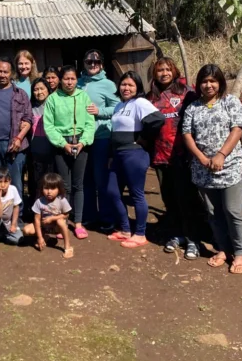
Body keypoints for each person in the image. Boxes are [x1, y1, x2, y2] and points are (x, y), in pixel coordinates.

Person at [182, 64, 242, 275]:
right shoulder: (193, 107)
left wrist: (221, 155)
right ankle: (223, 248)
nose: (208, 85)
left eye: (213, 80)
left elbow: (237, 129)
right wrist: (201, 157)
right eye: (204, 81)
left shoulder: (230, 102)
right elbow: (187, 134)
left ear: (220, 82)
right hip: (203, 169)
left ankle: (240, 253)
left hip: (231, 166)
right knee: (213, 212)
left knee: (233, 211)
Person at [146, 57, 207, 260]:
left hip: (183, 154)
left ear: (174, 71)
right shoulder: (150, 97)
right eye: (159, 70)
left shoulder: (186, 92)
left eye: (167, 69)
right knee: (169, 198)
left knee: (186, 198)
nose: (163, 73)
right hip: (161, 156)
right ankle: (175, 234)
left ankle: (193, 239)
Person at [105, 71, 165, 249]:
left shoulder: (140, 103)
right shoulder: (119, 106)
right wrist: (110, 155)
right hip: (117, 155)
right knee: (113, 192)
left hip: (134, 154)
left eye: (131, 85)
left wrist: (143, 138)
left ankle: (140, 233)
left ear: (137, 87)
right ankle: (124, 229)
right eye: (123, 84)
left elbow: (157, 119)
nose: (126, 88)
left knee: (136, 194)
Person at [42, 65, 95, 239]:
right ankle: (63, 220)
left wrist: (83, 141)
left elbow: (89, 122)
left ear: (76, 80)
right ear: (60, 80)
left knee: (78, 185)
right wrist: (62, 143)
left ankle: (78, 223)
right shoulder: (53, 99)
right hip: (60, 145)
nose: (69, 82)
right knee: (64, 186)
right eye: (66, 79)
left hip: (81, 144)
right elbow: (49, 125)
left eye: (73, 79)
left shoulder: (83, 96)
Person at [78, 49, 120, 229]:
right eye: (89, 62)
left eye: (96, 62)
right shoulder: (78, 83)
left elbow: (118, 107)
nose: (92, 65)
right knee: (85, 179)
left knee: (101, 178)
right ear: (84, 64)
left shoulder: (108, 84)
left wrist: (100, 111)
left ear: (102, 64)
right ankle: (89, 215)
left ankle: (107, 217)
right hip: (81, 138)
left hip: (101, 136)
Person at [0, 57, 32, 205]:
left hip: (15, 144)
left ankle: (18, 216)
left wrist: (19, 138)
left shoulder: (20, 93)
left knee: (15, 182)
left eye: (5, 72)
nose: (2, 75)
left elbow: (28, 118)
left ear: (11, 73)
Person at [22, 172, 74, 259]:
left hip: (57, 227)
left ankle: (68, 247)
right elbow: (37, 220)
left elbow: (66, 215)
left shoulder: (62, 200)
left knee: (60, 221)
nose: (49, 192)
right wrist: (39, 238)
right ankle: (44, 237)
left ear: (59, 189)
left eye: (53, 188)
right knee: (26, 230)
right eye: (46, 188)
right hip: (44, 226)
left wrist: (53, 218)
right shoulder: (39, 202)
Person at [0, 166, 24, 253]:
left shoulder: (13, 189)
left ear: (10, 180)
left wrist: (13, 224)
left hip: (8, 222)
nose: (3, 185)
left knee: (19, 239)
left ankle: (2, 235)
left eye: (6, 181)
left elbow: (16, 207)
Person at [29, 78, 55, 206]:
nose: (39, 92)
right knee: (37, 182)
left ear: (48, 90)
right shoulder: (30, 107)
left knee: (51, 182)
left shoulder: (54, 105)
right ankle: (38, 210)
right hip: (35, 151)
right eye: (36, 89)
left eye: (42, 88)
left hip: (52, 150)